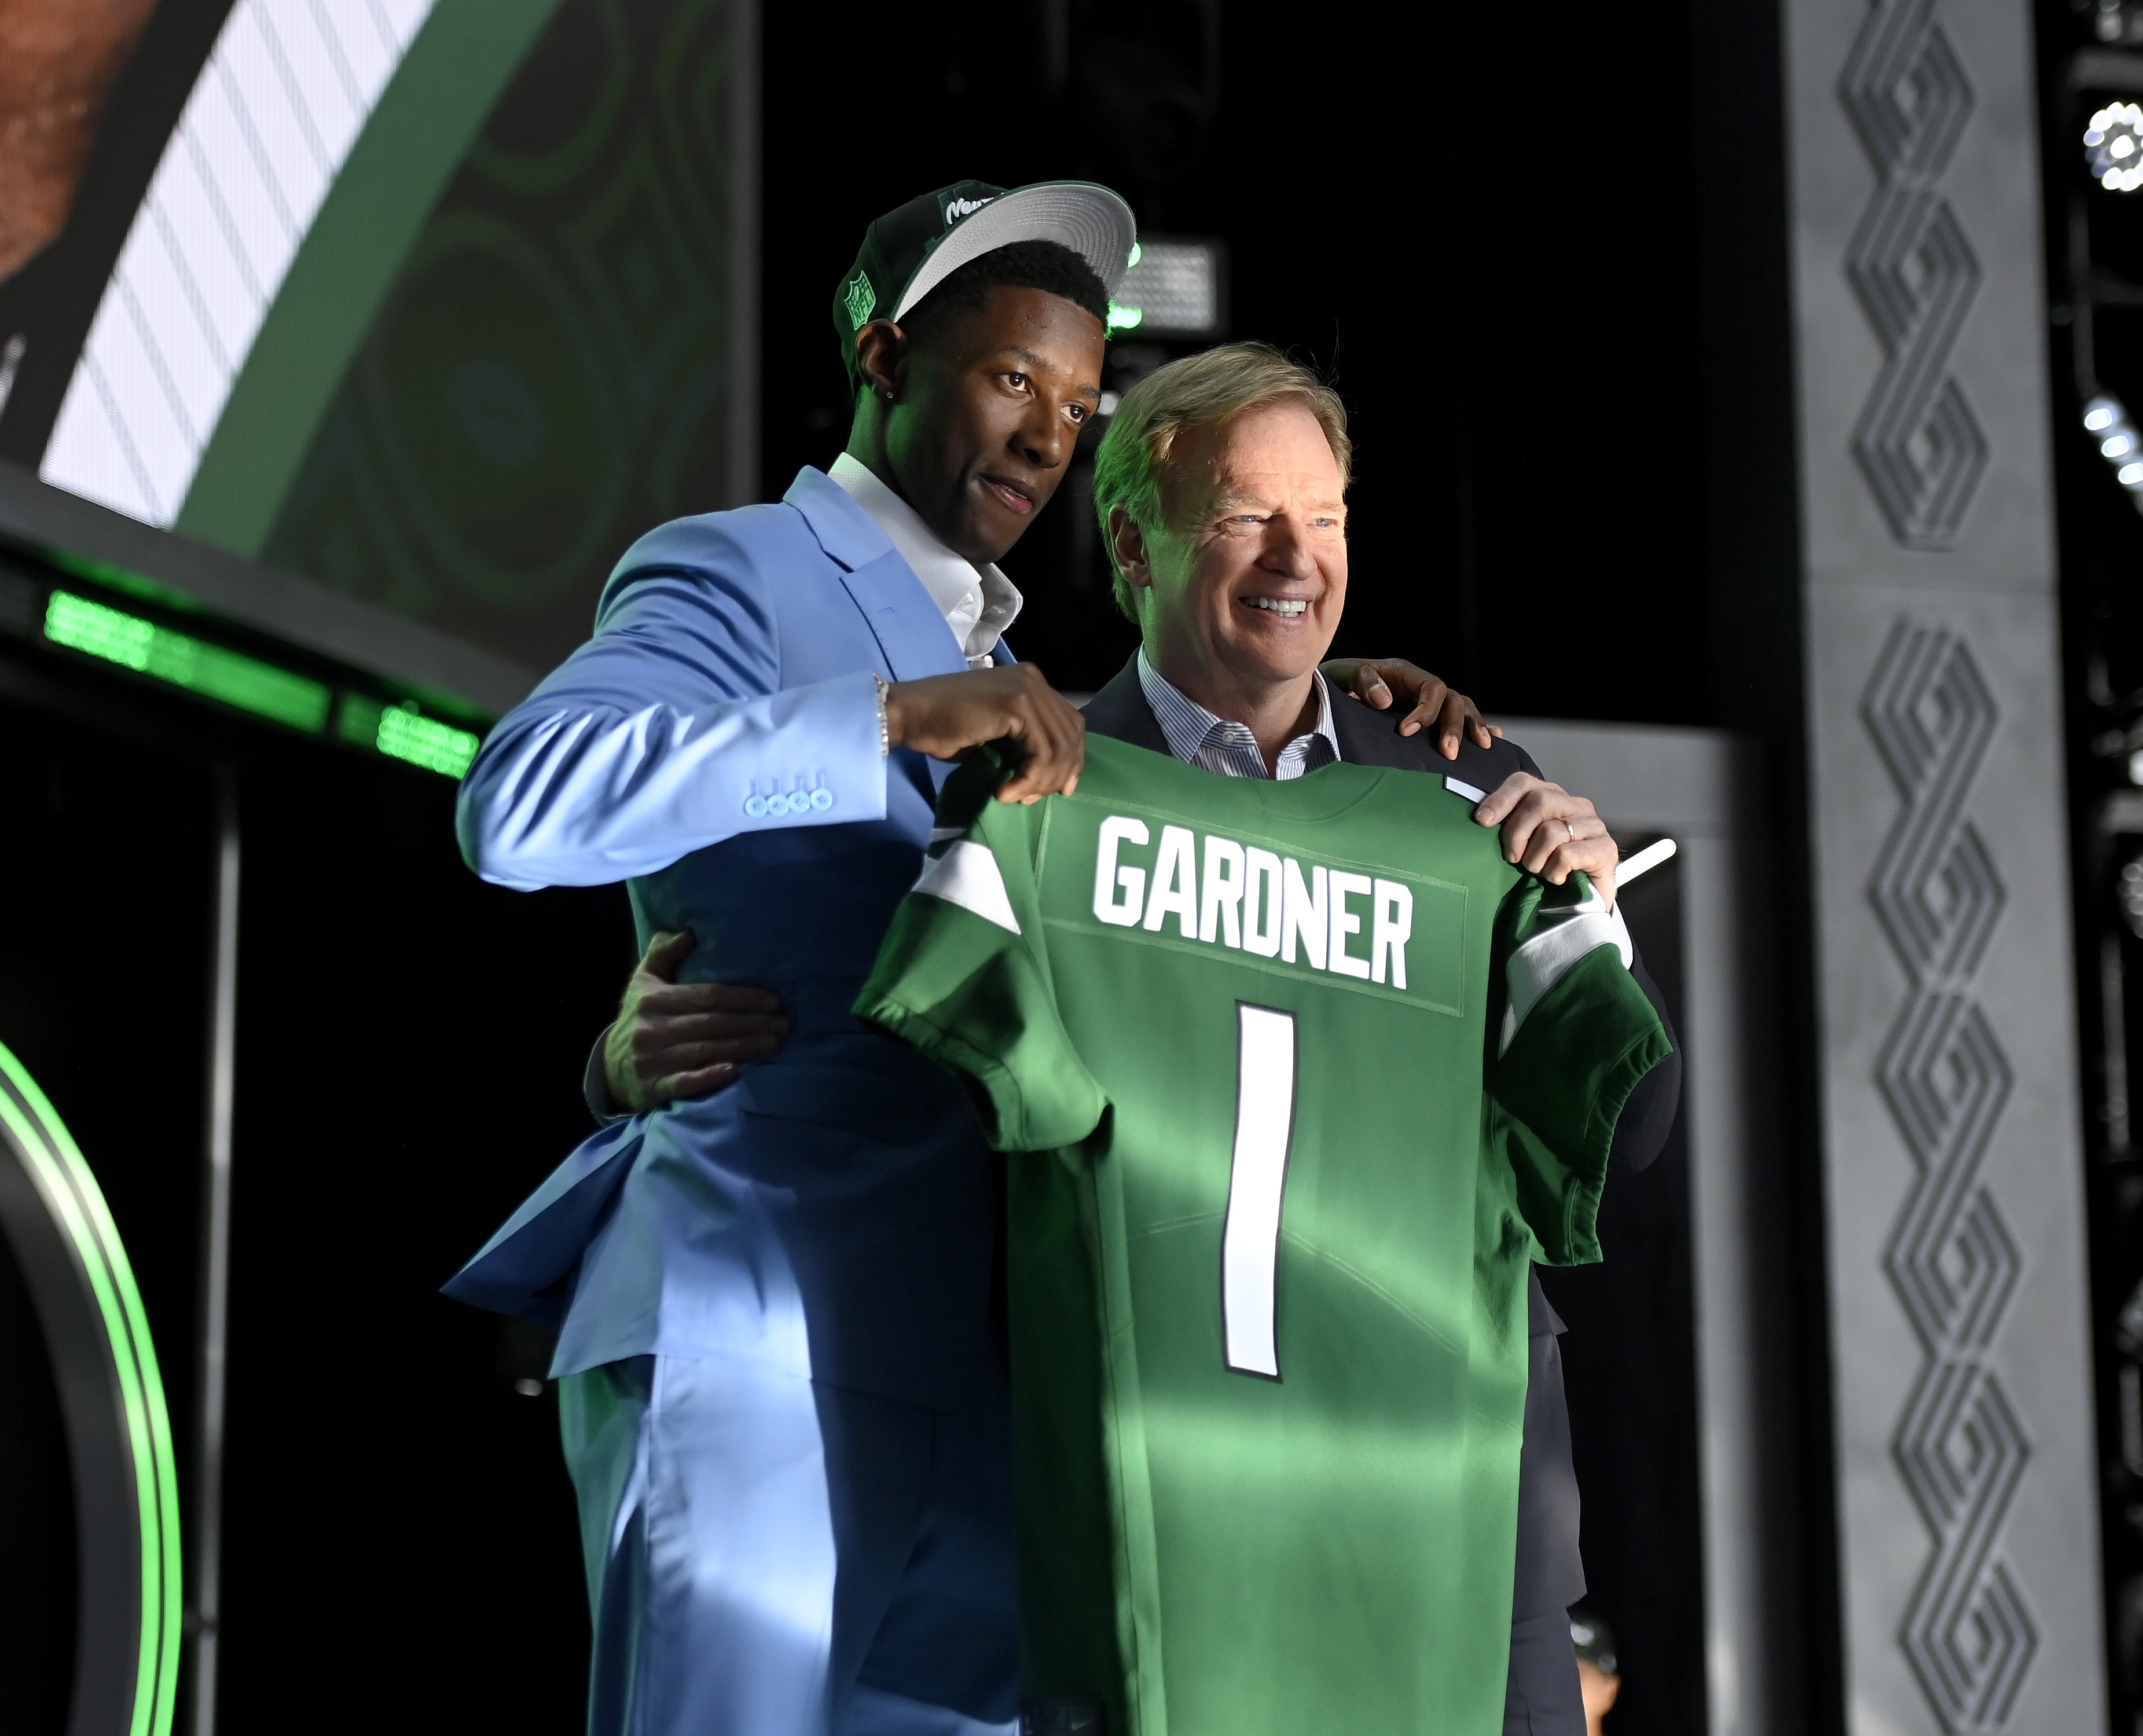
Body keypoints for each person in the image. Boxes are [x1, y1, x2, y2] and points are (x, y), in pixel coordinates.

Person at [446, 182, 1498, 1736]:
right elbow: (521, 803)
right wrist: (874, 719)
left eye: (1076, 405)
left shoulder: (1013, 674)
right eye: (1011, 380)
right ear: (882, 360)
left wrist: (1319, 697)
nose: (1045, 437)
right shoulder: (737, 569)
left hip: (993, 1401)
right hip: (765, 1339)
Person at [596, 341, 1680, 1734]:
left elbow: (1628, 1127)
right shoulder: (1036, 785)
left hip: (1449, 1503)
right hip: (1142, 1518)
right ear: (1132, 541)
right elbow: (895, 1094)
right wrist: (630, 1063)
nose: (1298, 555)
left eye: (1328, 518)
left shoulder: (1464, 787)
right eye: (1246, 517)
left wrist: (1587, 899)